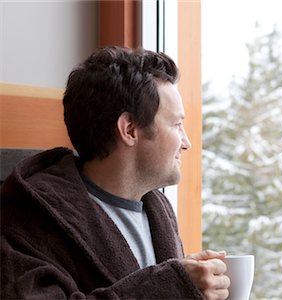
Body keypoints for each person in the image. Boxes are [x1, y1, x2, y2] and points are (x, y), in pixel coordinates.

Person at [1, 46, 230, 299]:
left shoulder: (157, 209)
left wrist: (188, 284)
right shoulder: (26, 219)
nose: (186, 142)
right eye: (176, 125)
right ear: (129, 130)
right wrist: (171, 287)